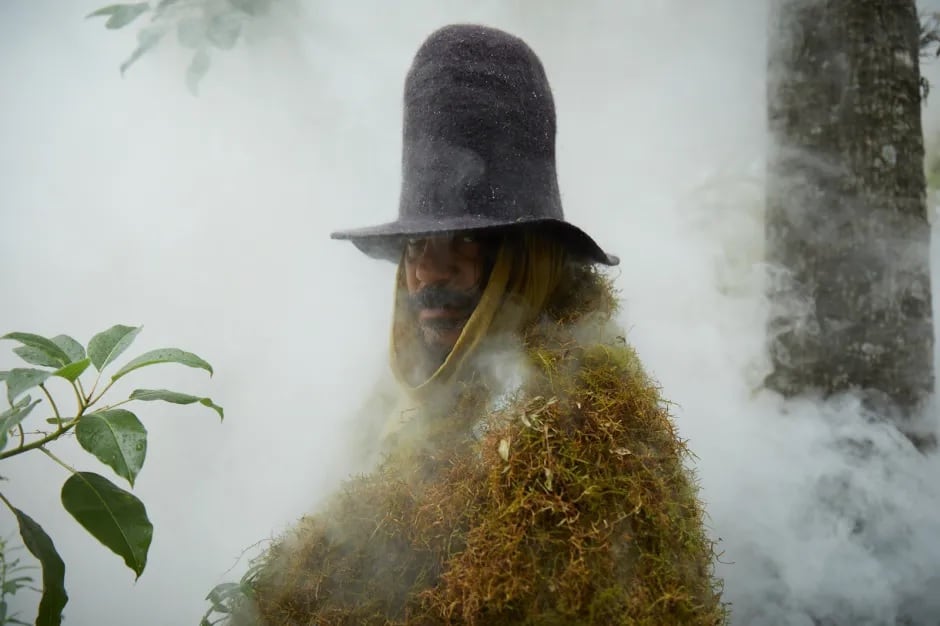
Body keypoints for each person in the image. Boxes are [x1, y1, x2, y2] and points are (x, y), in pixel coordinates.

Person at [233, 24, 726, 625]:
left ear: (527, 257)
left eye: (464, 240)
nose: (427, 273)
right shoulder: (403, 399)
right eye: (417, 243)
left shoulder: (576, 437)